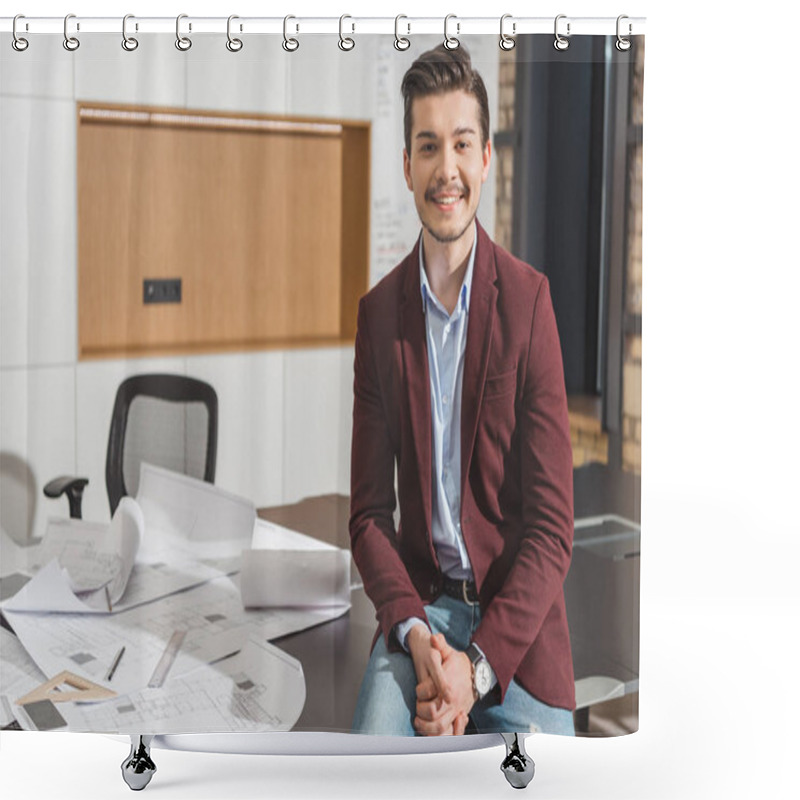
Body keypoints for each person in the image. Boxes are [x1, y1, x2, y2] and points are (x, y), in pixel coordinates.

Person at [349, 44, 575, 737]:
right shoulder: (379, 315)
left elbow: (550, 528)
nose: (445, 168)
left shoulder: (529, 303)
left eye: (461, 144)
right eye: (428, 146)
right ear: (408, 166)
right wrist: (420, 641)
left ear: (484, 160)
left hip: (518, 635)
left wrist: (472, 673)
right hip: (422, 618)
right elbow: (367, 516)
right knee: (363, 775)